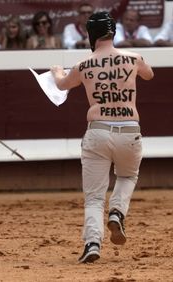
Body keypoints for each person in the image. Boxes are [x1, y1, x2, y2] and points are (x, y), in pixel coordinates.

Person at [50, 12, 154, 263]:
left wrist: (55, 72)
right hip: (129, 130)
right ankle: (117, 211)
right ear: (113, 33)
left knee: (95, 197)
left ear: (91, 35)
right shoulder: (133, 58)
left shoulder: (84, 65)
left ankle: (92, 243)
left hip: (97, 131)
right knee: (128, 175)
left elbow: (62, 85)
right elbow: (149, 74)